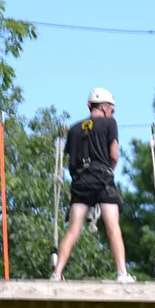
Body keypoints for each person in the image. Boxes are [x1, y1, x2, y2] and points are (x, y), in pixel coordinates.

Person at [51, 87, 135, 283]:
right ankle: (122, 273)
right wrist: (109, 170)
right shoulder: (109, 123)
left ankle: (56, 273)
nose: (112, 114)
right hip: (102, 178)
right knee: (112, 226)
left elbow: (70, 161)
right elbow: (113, 155)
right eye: (112, 110)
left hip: (80, 182)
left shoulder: (73, 129)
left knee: (73, 229)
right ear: (105, 107)